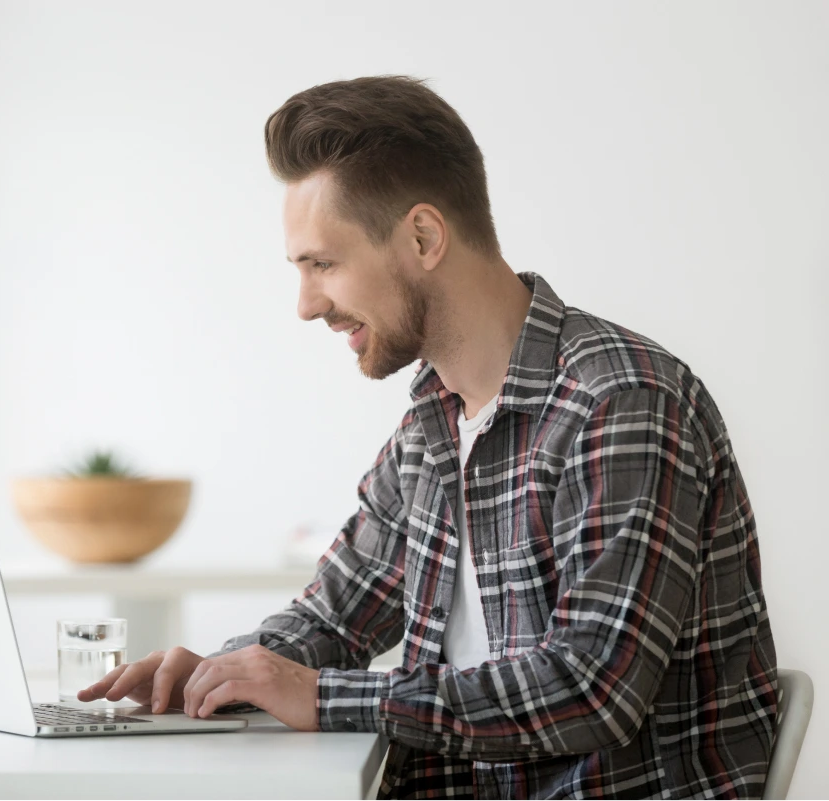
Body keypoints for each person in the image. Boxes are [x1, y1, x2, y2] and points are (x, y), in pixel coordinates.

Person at [78, 75, 778, 799]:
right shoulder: (431, 423)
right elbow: (335, 615)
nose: (307, 304)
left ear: (423, 237)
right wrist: (217, 674)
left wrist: (321, 695)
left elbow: (592, 688)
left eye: (323, 264)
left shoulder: (620, 401)